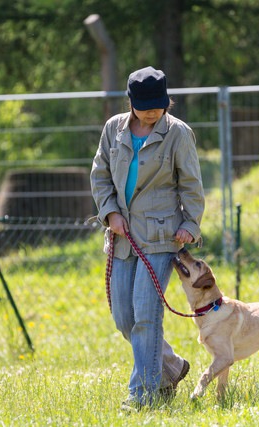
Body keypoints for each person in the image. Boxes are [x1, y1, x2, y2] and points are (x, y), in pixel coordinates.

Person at [90, 66, 205, 410]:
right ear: (131, 102)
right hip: (122, 236)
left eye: (159, 105)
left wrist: (191, 225)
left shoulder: (178, 134)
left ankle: (142, 395)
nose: (153, 112)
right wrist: (110, 213)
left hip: (161, 236)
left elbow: (191, 185)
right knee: (124, 317)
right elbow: (100, 175)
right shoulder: (113, 129)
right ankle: (171, 366)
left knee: (146, 313)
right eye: (145, 106)